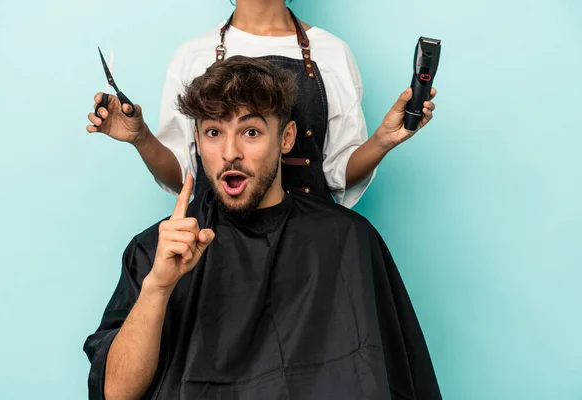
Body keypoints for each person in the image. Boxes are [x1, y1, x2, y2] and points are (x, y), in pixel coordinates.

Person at [83, 56, 441, 400]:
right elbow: (115, 394)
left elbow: (398, 381)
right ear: (197, 140)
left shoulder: (347, 240)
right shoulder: (155, 250)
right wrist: (158, 288)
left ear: (286, 138)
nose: (230, 152)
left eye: (250, 132)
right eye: (213, 132)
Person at [86, 0, 436, 208]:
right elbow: (185, 177)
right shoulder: (192, 55)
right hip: (214, 246)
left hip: (312, 246)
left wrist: (384, 140)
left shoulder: (333, 53)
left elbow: (337, 172)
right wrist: (142, 138)